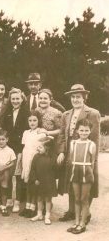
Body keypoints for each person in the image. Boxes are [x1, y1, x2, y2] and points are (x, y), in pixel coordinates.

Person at [57, 84, 100, 224]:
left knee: (86, 182)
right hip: (70, 154)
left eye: (78, 97)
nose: (75, 99)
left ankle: (85, 213)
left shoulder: (92, 113)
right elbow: (62, 136)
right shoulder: (66, 114)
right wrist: (62, 152)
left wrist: (93, 160)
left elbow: (95, 138)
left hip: (85, 154)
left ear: (84, 98)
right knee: (72, 182)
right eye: (73, 97)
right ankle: (71, 211)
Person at [0, 88, 29, 213]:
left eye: (18, 98)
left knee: (18, 176)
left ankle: (18, 201)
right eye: (13, 99)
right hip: (9, 148)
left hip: (20, 148)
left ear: (22, 99)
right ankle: (9, 199)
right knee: (8, 174)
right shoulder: (6, 112)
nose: (15, 101)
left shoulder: (27, 113)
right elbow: (4, 129)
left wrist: (22, 149)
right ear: (10, 100)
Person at [66, 119, 96, 234]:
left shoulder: (91, 144)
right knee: (76, 198)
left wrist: (90, 174)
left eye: (86, 130)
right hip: (76, 171)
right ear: (77, 131)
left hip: (86, 171)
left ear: (90, 131)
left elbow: (92, 162)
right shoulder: (73, 143)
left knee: (84, 198)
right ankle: (76, 221)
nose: (84, 133)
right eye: (81, 130)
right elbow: (71, 159)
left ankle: (83, 223)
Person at [19, 111, 46, 218]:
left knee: (34, 184)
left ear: (39, 121)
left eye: (34, 120)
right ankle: (27, 206)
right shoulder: (26, 133)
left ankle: (33, 207)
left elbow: (42, 148)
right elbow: (25, 147)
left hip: (35, 160)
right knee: (27, 183)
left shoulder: (42, 133)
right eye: (30, 120)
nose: (32, 122)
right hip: (26, 159)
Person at [30, 138, 57, 225]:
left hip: (49, 182)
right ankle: (39, 214)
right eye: (38, 147)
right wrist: (35, 179)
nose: (38, 149)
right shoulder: (36, 157)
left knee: (48, 199)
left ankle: (47, 216)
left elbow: (55, 168)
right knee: (39, 198)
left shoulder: (52, 157)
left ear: (47, 148)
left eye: (40, 147)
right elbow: (33, 169)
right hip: (39, 181)